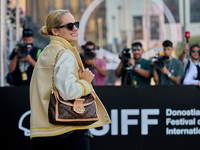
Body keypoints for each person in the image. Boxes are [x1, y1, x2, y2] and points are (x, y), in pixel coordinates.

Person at [30, 9, 111, 150]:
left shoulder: (45, 53)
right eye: (69, 26)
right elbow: (68, 92)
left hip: (42, 133)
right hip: (66, 131)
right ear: (55, 31)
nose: (75, 29)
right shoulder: (64, 53)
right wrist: (86, 82)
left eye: (76, 24)